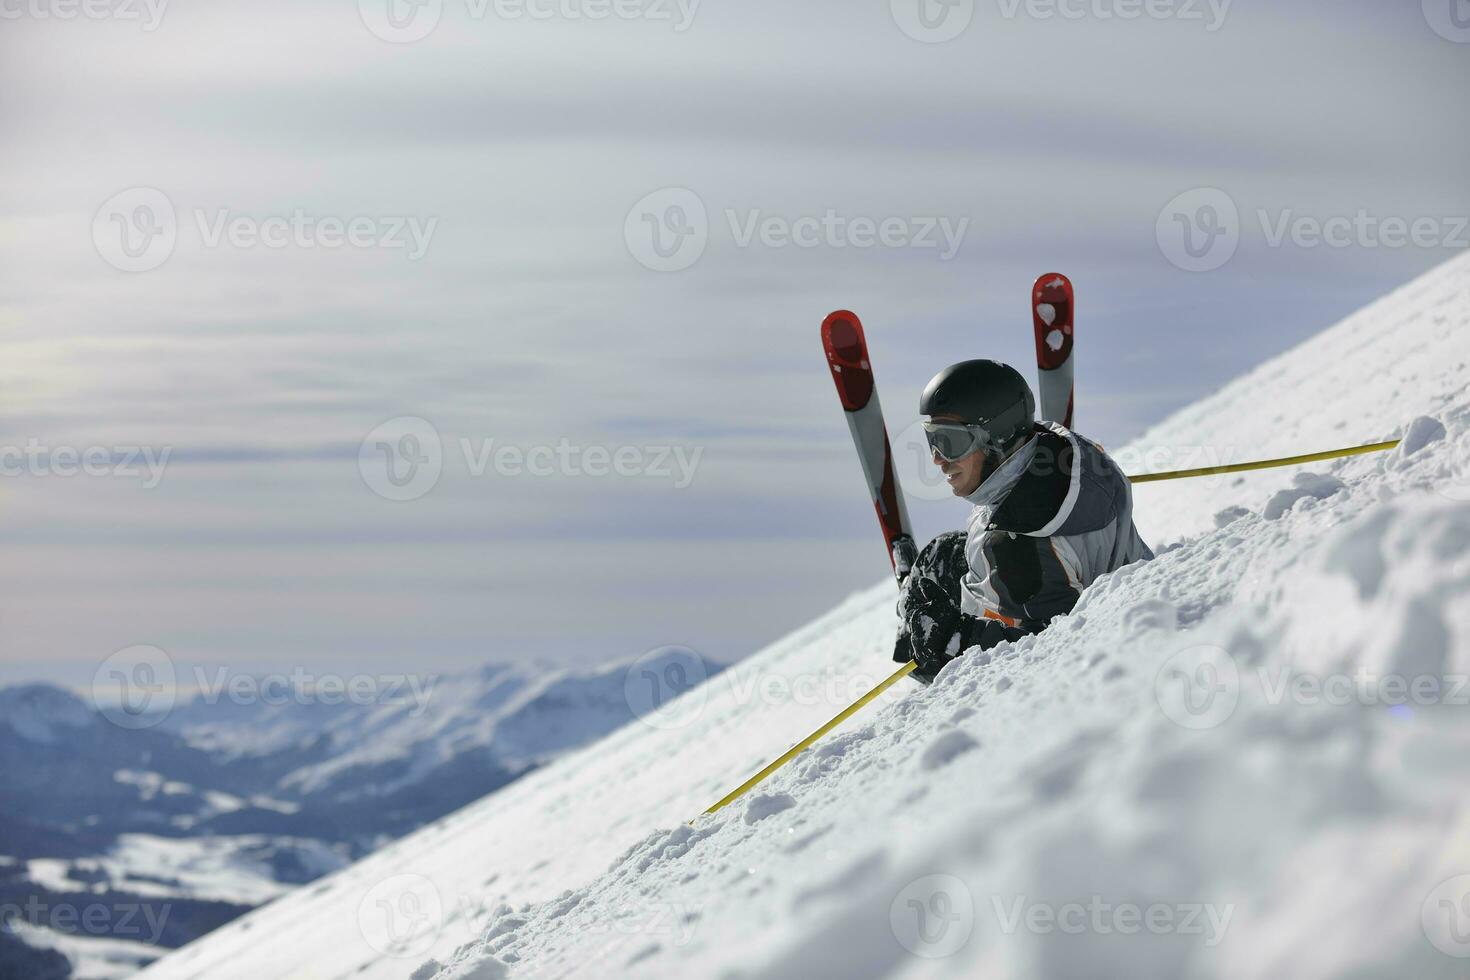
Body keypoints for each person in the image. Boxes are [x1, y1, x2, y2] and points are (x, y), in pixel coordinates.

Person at [896, 359, 1153, 682]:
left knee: (925, 616)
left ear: (998, 438)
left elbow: (1048, 654)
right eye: (932, 439)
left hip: (1075, 641)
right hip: (1073, 573)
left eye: (950, 442)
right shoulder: (1060, 452)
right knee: (942, 555)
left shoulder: (1017, 547)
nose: (936, 458)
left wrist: (952, 643)